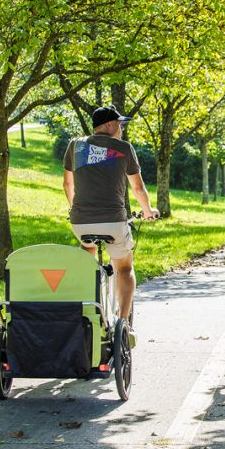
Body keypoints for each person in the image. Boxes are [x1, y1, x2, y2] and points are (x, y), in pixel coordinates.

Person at [62, 105, 159, 323]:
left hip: (80, 222)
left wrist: (74, 210)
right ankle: (123, 326)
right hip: (113, 221)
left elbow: (68, 184)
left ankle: (86, 311)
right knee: (124, 268)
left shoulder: (75, 145)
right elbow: (138, 188)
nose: (122, 128)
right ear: (109, 124)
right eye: (120, 124)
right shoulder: (124, 148)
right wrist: (148, 211)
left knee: (87, 249)